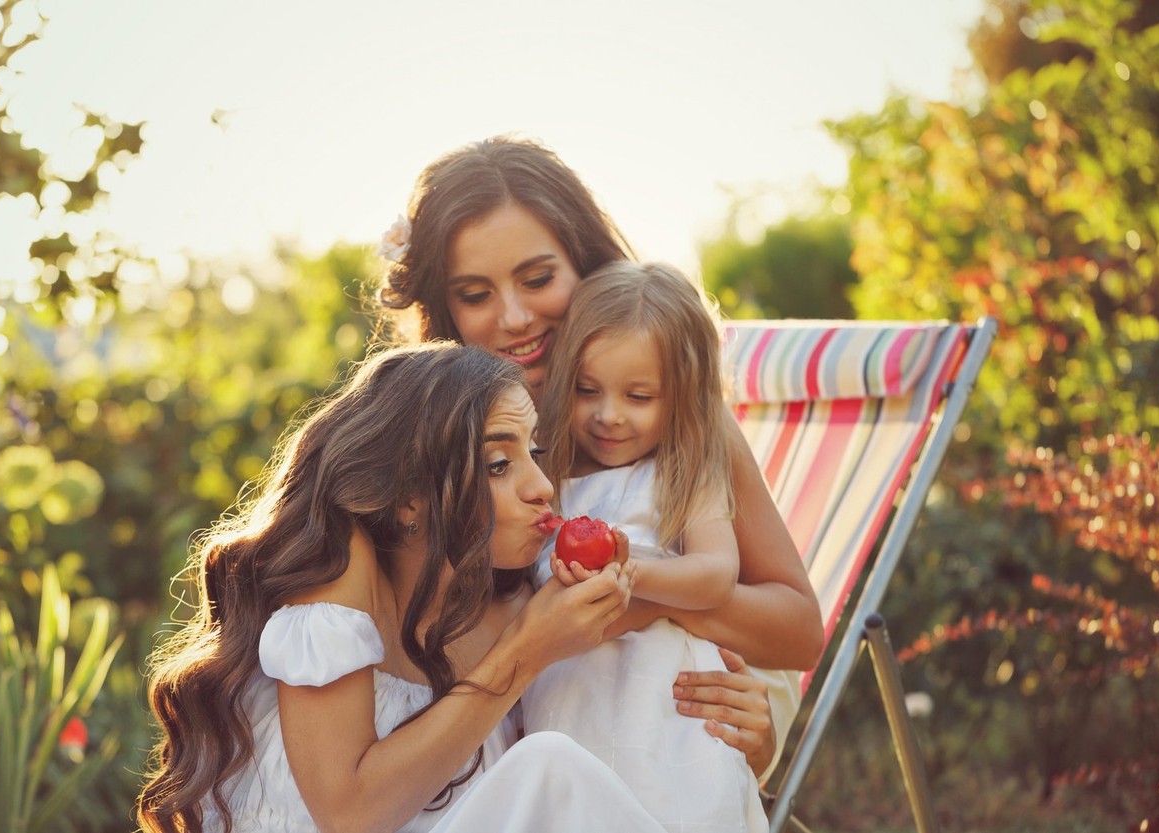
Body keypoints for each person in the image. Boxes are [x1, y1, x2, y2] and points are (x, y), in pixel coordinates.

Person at [378, 136, 825, 780]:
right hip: (508, 746)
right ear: (442, 308)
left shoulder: (678, 421)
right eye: (475, 294)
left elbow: (798, 631)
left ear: (586, 266)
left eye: (538, 279)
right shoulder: (433, 441)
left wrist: (639, 594)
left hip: (662, 736)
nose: (514, 317)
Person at [137, 343, 674, 833]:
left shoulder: (503, 602)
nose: (542, 487)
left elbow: (707, 610)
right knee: (548, 768)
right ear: (408, 499)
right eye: (499, 464)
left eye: (533, 453)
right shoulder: (342, 569)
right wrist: (525, 655)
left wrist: (756, 726)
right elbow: (349, 812)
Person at [521, 260, 766, 832]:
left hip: (663, 706)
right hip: (568, 694)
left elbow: (714, 575)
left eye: (639, 396)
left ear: (683, 396)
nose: (609, 416)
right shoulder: (544, 470)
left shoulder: (687, 466)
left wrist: (630, 575)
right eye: (588, 390)